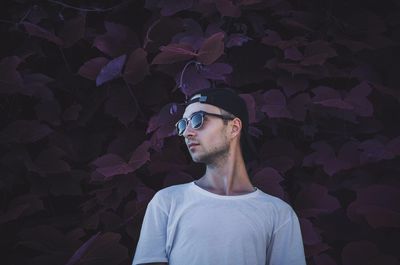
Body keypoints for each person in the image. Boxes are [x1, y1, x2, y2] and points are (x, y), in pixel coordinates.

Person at [132, 88, 306, 265]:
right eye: (183, 125)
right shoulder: (167, 202)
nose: (187, 133)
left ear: (234, 127)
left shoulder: (278, 214)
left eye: (198, 120)